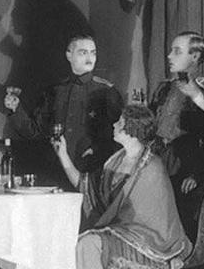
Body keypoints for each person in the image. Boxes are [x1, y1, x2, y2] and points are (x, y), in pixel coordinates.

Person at [56, 104, 192, 269]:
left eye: (120, 122)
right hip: (119, 232)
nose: (114, 125)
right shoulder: (115, 161)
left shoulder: (152, 167)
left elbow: (157, 221)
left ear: (133, 130)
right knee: (82, 243)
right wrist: (63, 155)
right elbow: (85, 186)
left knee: (88, 244)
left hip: (149, 243)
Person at [5, 33, 123, 187]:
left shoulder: (107, 91)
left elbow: (120, 136)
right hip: (55, 174)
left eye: (93, 53)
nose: (90, 58)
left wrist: (97, 150)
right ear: (69, 55)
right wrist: (15, 109)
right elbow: (34, 131)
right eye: (83, 52)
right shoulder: (55, 91)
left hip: (91, 174)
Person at [148, 31, 204, 241]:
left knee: (187, 238)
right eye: (171, 51)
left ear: (195, 57)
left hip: (188, 177)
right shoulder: (163, 88)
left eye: (177, 51)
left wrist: (197, 175)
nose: (169, 56)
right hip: (158, 172)